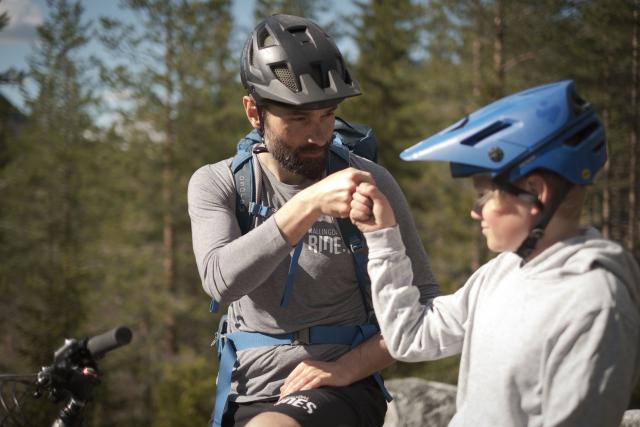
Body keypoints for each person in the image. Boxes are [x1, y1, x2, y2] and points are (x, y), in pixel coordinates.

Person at [187, 14, 439, 427]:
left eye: (327, 115)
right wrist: (309, 205)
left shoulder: (369, 181)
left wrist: (348, 369)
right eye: (299, 119)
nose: (318, 135)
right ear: (254, 112)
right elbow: (220, 280)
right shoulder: (219, 184)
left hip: (343, 386)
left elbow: (423, 304)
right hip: (246, 390)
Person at [350, 80, 640, 426]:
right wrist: (383, 237)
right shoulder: (505, 270)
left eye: (484, 195)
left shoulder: (594, 304)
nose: (476, 211)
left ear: (535, 193)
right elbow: (410, 336)